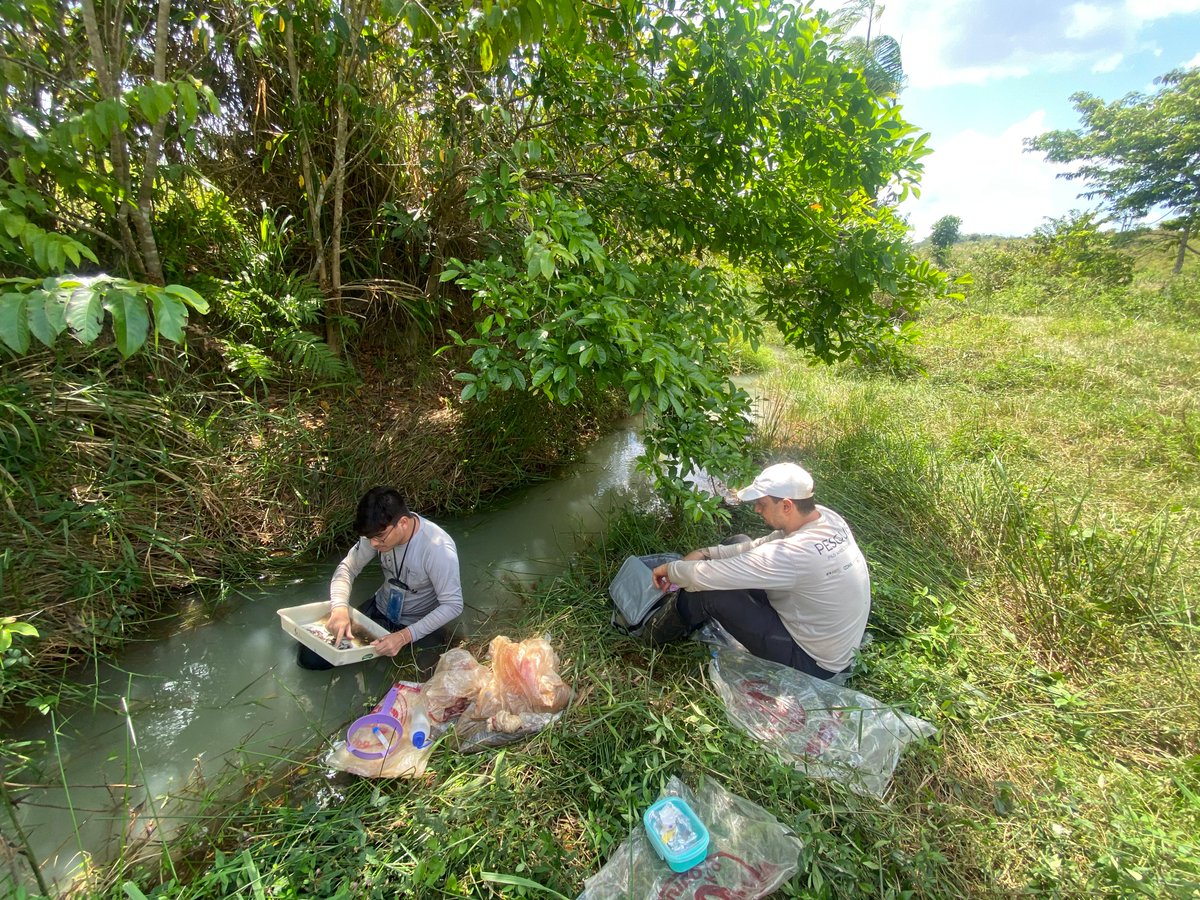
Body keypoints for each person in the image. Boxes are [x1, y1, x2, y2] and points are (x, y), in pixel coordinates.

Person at [648, 462, 870, 679]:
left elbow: (704, 576)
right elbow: (757, 546)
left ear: (786, 506)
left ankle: (650, 637)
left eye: (762, 504)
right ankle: (679, 609)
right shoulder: (826, 518)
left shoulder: (794, 555)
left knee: (709, 592)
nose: (756, 509)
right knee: (738, 541)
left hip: (810, 661)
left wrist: (671, 569)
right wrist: (705, 552)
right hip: (821, 632)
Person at [297, 486, 464, 670]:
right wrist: (339, 608)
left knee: (411, 673)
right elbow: (347, 568)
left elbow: (453, 605)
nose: (374, 544)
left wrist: (403, 637)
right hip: (379, 608)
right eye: (369, 538)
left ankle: (442, 636)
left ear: (403, 523)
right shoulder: (375, 535)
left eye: (380, 537)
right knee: (309, 653)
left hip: (414, 623)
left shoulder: (437, 549)